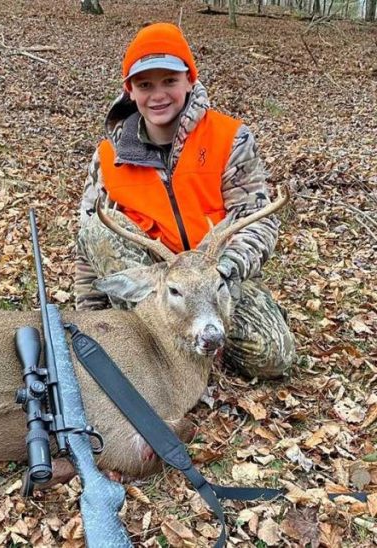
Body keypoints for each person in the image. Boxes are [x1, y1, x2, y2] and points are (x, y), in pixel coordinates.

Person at [73, 22, 296, 380]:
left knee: (271, 355)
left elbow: (258, 220)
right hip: (158, 281)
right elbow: (90, 241)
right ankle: (151, 343)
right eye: (145, 84)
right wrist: (87, 316)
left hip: (217, 275)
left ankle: (184, 347)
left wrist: (225, 269)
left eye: (169, 81)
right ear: (130, 90)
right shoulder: (109, 155)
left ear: (190, 80)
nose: (158, 94)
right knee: (98, 225)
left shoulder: (229, 138)